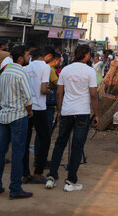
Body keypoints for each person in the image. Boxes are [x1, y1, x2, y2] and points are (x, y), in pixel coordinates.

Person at [46, 44, 99, 192]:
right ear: (87, 55)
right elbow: (93, 94)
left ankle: (51, 176)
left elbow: (59, 92)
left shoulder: (65, 69)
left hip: (67, 111)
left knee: (60, 143)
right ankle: (70, 180)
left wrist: (60, 109)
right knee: (77, 146)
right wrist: (97, 114)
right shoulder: (90, 71)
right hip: (82, 111)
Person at [0, 45, 34, 200]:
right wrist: (29, 111)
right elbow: (28, 97)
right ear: (20, 57)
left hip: (4, 116)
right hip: (18, 116)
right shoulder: (22, 72)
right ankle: (15, 188)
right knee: (17, 152)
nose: (29, 57)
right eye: (28, 55)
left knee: (0, 151)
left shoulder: (6, 71)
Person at [21, 46, 52, 185]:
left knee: (25, 141)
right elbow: (43, 89)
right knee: (45, 139)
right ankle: (38, 173)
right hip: (39, 107)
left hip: (27, 106)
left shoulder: (26, 67)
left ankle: (25, 173)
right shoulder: (45, 67)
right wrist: (50, 92)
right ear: (48, 56)